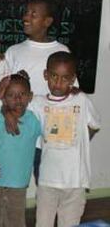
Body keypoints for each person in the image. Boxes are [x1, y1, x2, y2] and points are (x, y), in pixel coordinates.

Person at [5, 0, 73, 183]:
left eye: (33, 14)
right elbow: (4, 92)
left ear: (47, 21)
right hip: (20, 130)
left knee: (49, 182)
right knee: (13, 179)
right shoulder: (14, 51)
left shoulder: (61, 51)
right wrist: (7, 114)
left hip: (50, 134)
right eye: (26, 12)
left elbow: (71, 92)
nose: (26, 17)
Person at [31, 52, 100, 227]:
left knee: (69, 224)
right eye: (54, 76)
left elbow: (94, 125)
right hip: (47, 179)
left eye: (64, 78)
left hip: (74, 181)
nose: (58, 83)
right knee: (43, 223)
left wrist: (80, 142)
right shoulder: (37, 103)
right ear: (46, 75)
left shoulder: (81, 100)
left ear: (72, 79)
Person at [0, 71, 42, 227]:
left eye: (22, 94)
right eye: (11, 95)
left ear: (30, 96)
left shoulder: (34, 120)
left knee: (15, 221)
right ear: (3, 99)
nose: (17, 99)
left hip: (18, 183)